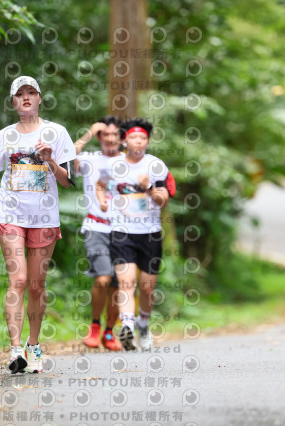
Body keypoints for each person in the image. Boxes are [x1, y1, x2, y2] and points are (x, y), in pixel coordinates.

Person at [0, 76, 76, 373]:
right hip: (10, 213)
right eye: (20, 93)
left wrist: (50, 161)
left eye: (31, 92)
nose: (26, 97)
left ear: (39, 98)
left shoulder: (57, 133)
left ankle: (33, 345)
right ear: (13, 102)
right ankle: (14, 350)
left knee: (36, 285)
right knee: (18, 279)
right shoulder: (4, 136)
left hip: (44, 216)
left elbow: (68, 181)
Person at [97, 118, 170, 351]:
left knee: (147, 288)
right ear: (124, 141)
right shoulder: (114, 164)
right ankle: (127, 326)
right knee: (126, 282)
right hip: (122, 231)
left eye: (143, 138)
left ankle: (143, 324)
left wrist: (148, 187)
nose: (138, 141)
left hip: (150, 233)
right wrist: (102, 201)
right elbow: (100, 184)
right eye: (133, 137)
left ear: (147, 142)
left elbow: (163, 200)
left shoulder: (155, 165)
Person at [73, 116, 124, 351]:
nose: (110, 139)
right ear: (100, 137)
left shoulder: (129, 162)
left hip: (124, 230)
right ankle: (95, 325)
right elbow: (67, 156)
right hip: (96, 227)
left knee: (118, 286)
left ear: (121, 138)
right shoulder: (89, 160)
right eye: (105, 134)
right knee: (102, 279)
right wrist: (90, 132)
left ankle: (109, 332)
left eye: (115, 134)